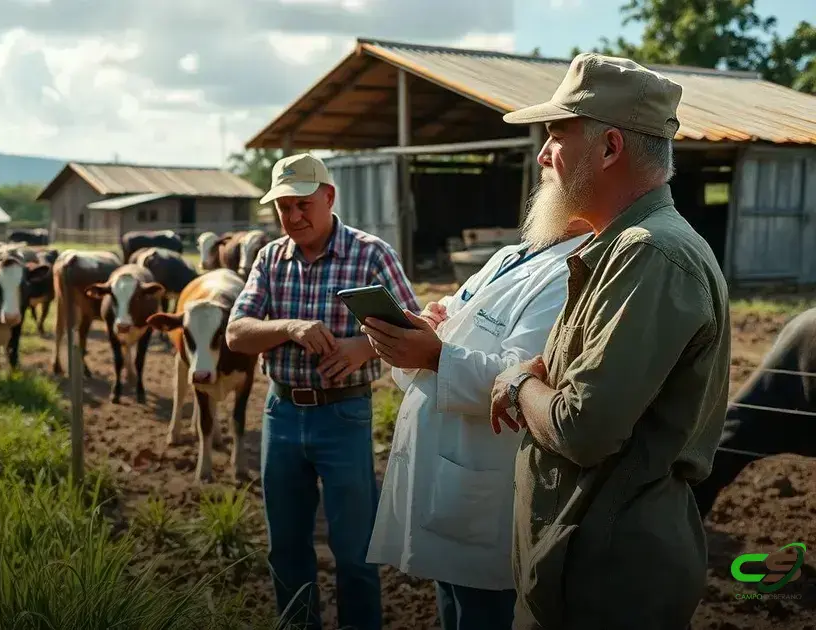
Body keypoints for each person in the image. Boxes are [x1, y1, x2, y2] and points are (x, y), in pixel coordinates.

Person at [487, 53, 731, 629]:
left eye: (555, 136)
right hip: (581, 565)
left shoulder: (648, 253)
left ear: (610, 148)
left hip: (608, 579)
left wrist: (517, 381)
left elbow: (581, 426)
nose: (544, 156)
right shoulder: (619, 248)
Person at [360, 203, 591, 630]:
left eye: (556, 157)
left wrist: (433, 352)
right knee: (453, 602)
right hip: (447, 476)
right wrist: (426, 329)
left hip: (484, 484)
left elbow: (520, 377)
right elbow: (449, 317)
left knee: (482, 610)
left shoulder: (573, 271)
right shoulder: (511, 255)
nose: (541, 159)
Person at [225, 152, 419, 630]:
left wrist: (360, 347)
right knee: (286, 548)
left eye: (302, 204)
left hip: (344, 414)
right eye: (283, 207)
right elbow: (236, 333)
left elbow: (417, 330)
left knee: (355, 551)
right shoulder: (270, 258)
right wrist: (289, 327)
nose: (292, 217)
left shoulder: (371, 254)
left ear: (329, 196)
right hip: (282, 411)